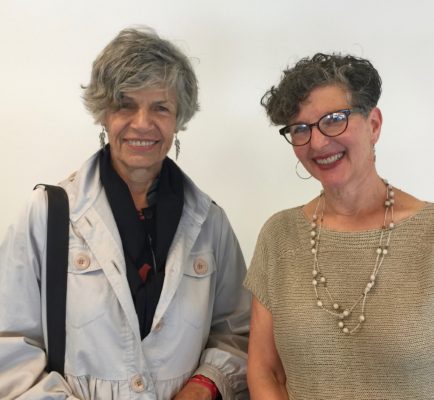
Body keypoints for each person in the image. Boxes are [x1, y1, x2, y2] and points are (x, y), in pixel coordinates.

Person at [0, 27, 250, 400]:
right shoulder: (48, 214)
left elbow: (237, 332)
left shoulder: (210, 222)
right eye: (126, 105)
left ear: (179, 118)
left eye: (160, 107)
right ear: (103, 114)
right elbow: (9, 347)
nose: (142, 123)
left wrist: (206, 382)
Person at [244, 53, 434, 399]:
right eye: (300, 129)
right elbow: (265, 371)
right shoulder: (279, 237)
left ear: (373, 124)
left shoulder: (429, 234)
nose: (317, 142)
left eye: (334, 120)